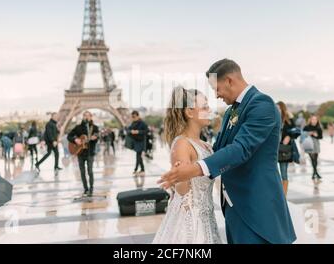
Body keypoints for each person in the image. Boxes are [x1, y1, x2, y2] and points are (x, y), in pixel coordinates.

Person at [159, 59, 296, 244]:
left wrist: (193, 169)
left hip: (257, 206)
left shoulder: (261, 104)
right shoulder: (231, 112)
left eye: (216, 88)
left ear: (229, 80)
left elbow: (241, 148)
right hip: (235, 208)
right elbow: (219, 153)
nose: (216, 95)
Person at [153, 87, 222, 244]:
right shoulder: (182, 144)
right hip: (190, 222)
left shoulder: (206, 146)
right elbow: (182, 191)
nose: (209, 109)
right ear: (189, 112)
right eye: (204, 106)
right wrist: (179, 177)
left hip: (207, 217)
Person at [67, 111, 99, 197]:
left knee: (90, 171)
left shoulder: (94, 128)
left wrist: (94, 138)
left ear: (91, 117)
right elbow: (69, 136)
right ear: (82, 117)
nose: (86, 117)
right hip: (80, 152)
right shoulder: (78, 128)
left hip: (90, 152)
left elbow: (97, 137)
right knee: (82, 172)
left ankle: (91, 188)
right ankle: (85, 189)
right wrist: (75, 140)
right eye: (85, 115)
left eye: (88, 116)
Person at [277, 102, 295, 197]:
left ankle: (284, 195)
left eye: (279, 108)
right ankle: (277, 193)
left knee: (284, 172)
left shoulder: (288, 120)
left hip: (284, 149)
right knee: (274, 173)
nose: (278, 110)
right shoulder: (273, 118)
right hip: (274, 149)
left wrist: (289, 136)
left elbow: (295, 131)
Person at [127, 111, 148, 176]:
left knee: (138, 156)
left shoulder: (142, 123)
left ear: (138, 116)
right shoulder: (133, 123)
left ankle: (136, 169)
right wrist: (131, 131)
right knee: (138, 156)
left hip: (141, 141)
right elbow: (128, 130)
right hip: (136, 141)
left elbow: (146, 131)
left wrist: (138, 132)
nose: (133, 118)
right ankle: (142, 169)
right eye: (132, 117)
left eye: (134, 116)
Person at [304, 115, 323, 180]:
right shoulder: (307, 127)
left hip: (316, 143)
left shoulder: (319, 127)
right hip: (309, 143)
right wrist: (308, 133)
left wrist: (316, 135)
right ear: (310, 120)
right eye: (313, 119)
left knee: (315, 159)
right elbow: (302, 135)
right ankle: (315, 173)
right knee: (312, 158)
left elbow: (321, 137)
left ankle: (315, 172)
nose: (314, 121)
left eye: (315, 119)